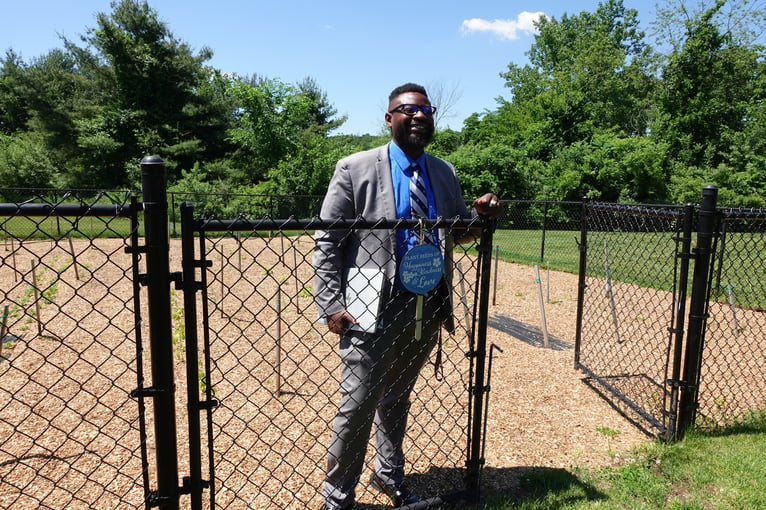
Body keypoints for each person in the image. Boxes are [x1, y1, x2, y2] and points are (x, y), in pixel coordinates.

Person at [313, 83, 502, 510]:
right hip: (368, 301)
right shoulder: (355, 168)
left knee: (397, 398)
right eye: (408, 110)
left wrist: (481, 217)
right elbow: (328, 241)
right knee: (358, 404)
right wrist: (331, 303)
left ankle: (389, 475)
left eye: (426, 110)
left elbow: (459, 231)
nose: (419, 117)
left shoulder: (443, 172)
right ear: (389, 117)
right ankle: (337, 499)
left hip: (427, 301)